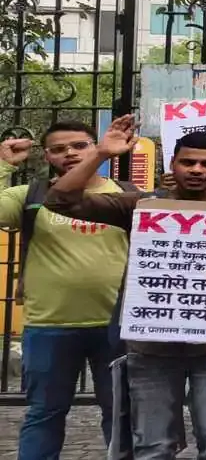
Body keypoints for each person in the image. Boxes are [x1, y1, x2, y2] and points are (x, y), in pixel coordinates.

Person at [43, 120, 206, 460]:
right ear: (173, 164)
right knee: (153, 447)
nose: (197, 170)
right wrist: (101, 153)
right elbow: (60, 201)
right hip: (151, 347)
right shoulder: (140, 204)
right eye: (188, 162)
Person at [0, 125, 131, 460]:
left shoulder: (128, 193)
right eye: (58, 149)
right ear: (47, 156)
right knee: (44, 413)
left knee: (120, 416)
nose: (69, 153)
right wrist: (5, 166)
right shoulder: (29, 195)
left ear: (96, 145)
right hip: (50, 324)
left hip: (117, 324)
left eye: (79, 145)